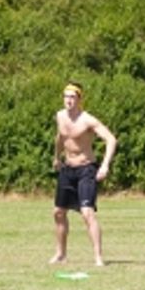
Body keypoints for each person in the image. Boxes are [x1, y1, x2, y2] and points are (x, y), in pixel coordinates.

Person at [50, 82, 117, 267]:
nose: (68, 100)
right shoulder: (60, 116)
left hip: (86, 169)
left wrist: (104, 166)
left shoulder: (88, 120)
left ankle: (98, 257)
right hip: (67, 168)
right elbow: (60, 137)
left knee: (87, 213)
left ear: (79, 99)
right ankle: (61, 254)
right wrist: (56, 157)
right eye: (66, 96)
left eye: (72, 97)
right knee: (58, 212)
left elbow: (111, 139)